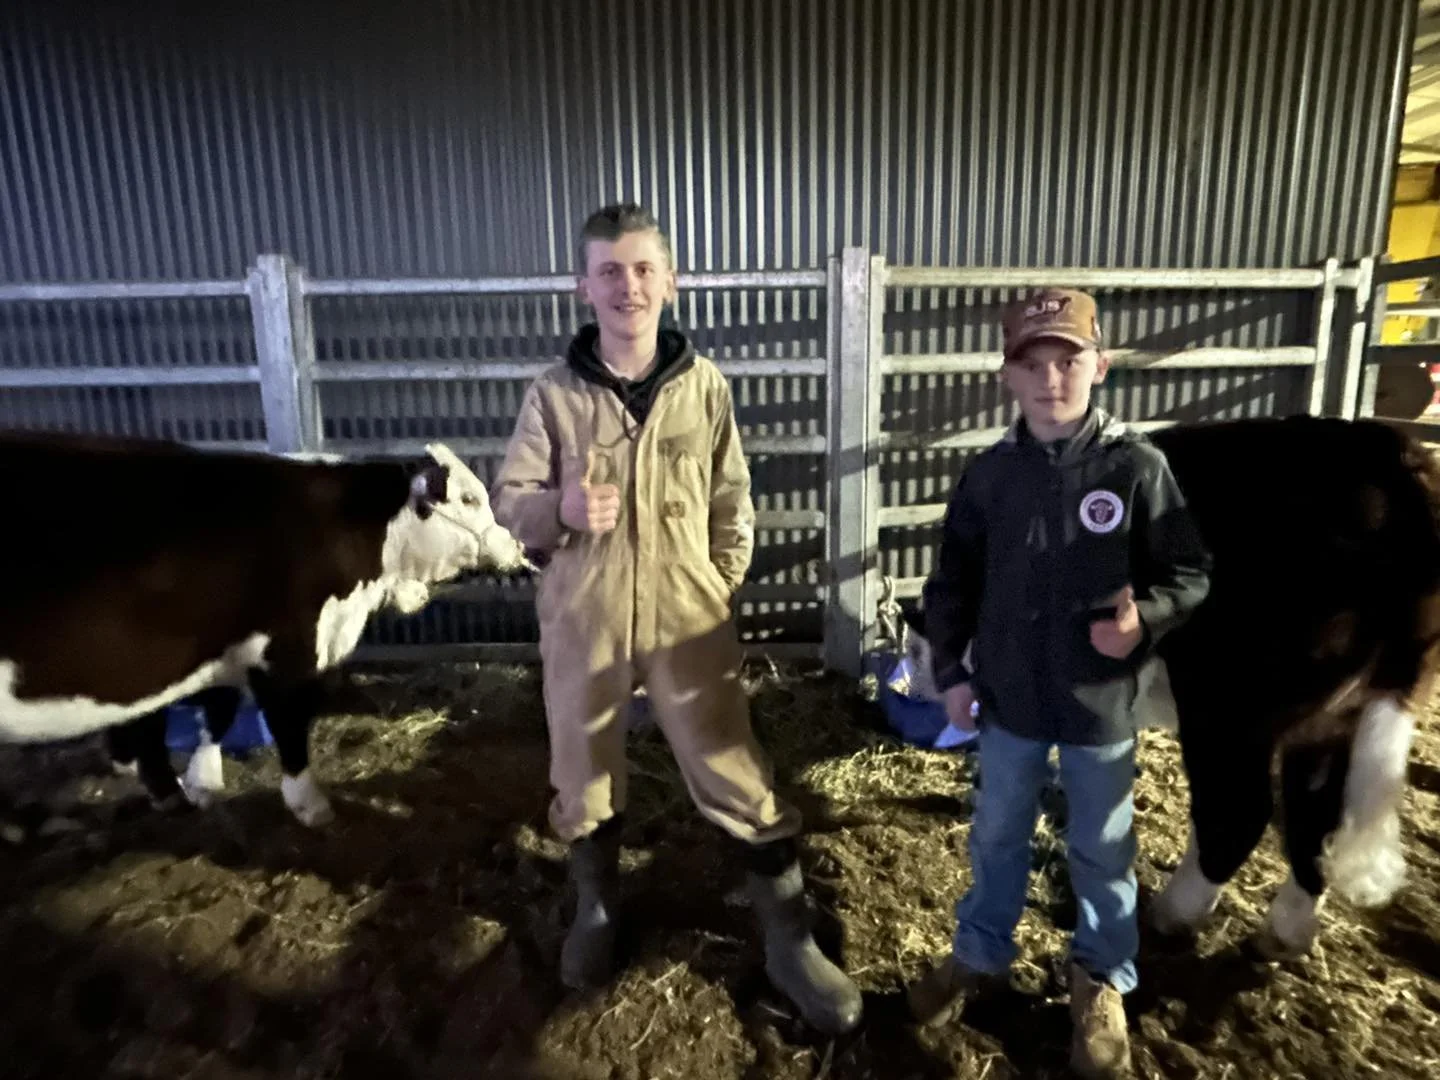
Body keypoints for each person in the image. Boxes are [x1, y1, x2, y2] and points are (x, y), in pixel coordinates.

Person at [491, 202, 863, 1035]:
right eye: (610, 271)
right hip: (584, 619)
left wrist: (714, 584)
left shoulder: (706, 387)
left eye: (643, 268)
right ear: (581, 285)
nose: (629, 286)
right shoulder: (552, 396)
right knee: (581, 767)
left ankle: (788, 938)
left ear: (671, 279)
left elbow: (734, 500)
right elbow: (509, 505)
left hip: (687, 622)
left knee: (735, 768)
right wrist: (562, 509)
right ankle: (594, 907)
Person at [905, 288, 1212, 1077]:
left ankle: (1102, 977)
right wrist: (950, 672)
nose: (1051, 379)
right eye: (1032, 364)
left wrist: (1143, 615)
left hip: (1099, 703)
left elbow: (1190, 572)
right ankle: (979, 954)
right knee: (998, 831)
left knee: (1102, 847)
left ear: (1099, 366)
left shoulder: (1138, 467)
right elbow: (952, 586)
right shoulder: (989, 477)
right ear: (1008, 378)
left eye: (1068, 360)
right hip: (1006, 699)